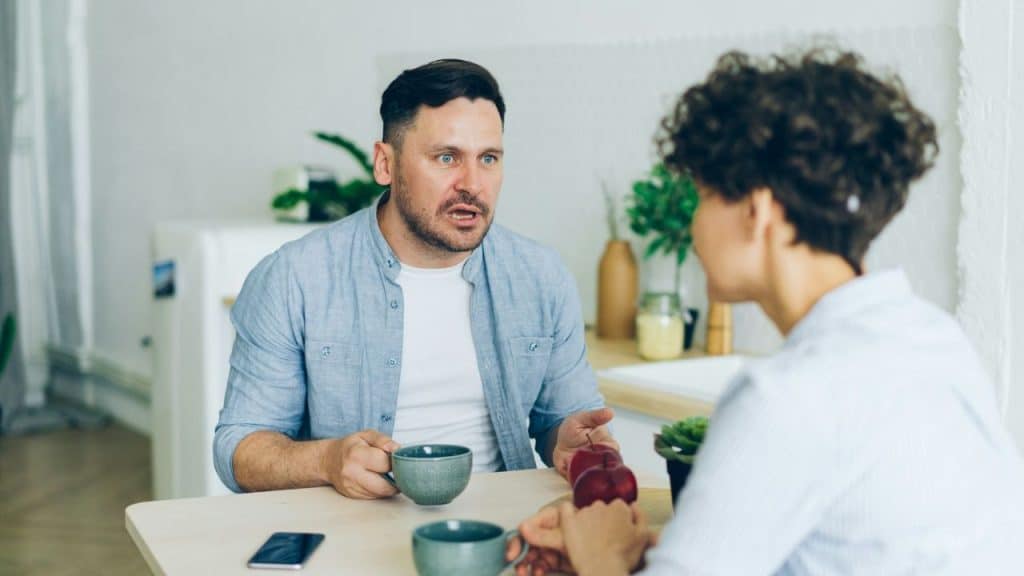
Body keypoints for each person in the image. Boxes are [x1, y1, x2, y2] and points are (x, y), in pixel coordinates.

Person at [509, 48, 1024, 575]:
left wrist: (600, 557)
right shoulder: (933, 337)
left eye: (704, 195)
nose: (694, 226)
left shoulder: (786, 396)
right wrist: (639, 551)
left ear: (757, 213)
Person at [213, 59, 616, 498]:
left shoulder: (542, 276)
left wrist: (572, 443)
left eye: (488, 158)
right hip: (353, 528)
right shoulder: (295, 278)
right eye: (446, 158)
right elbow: (239, 449)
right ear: (385, 164)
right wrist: (327, 461)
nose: (473, 184)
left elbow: (564, 419)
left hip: (504, 527)